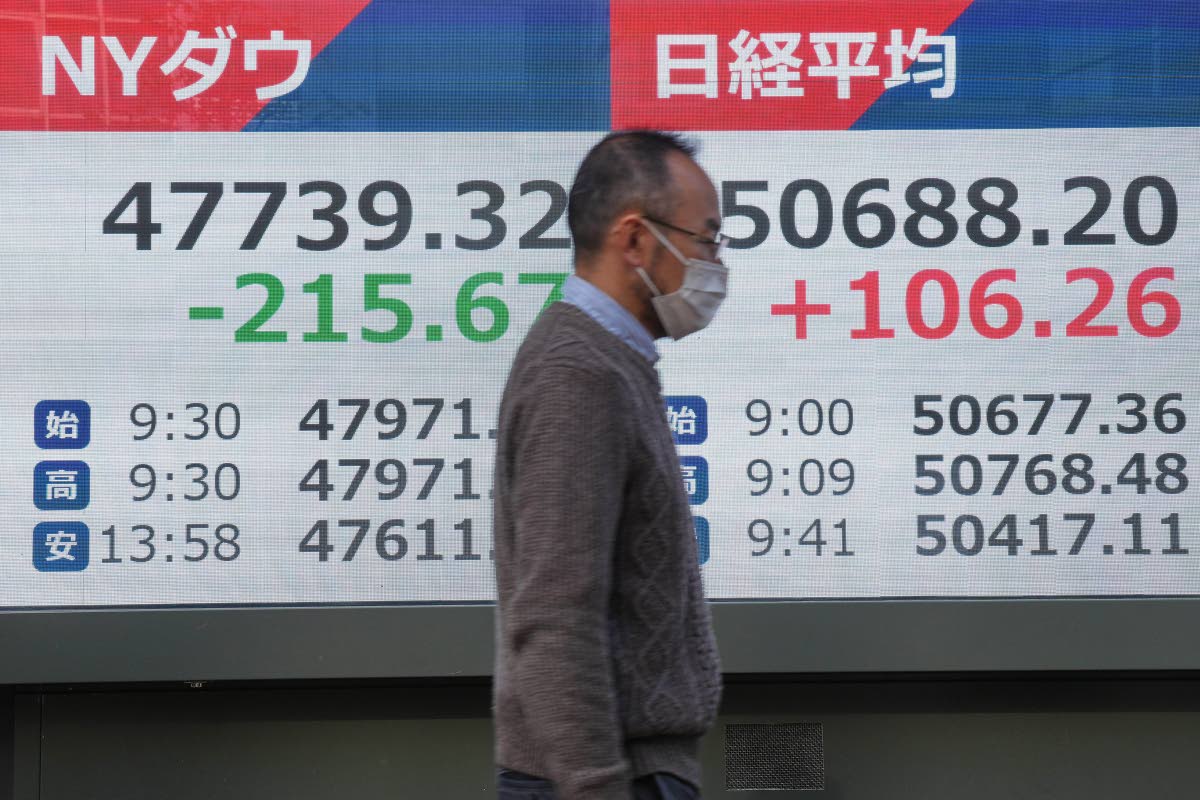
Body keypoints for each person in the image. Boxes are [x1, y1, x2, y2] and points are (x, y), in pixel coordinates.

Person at [492, 130, 728, 800]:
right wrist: (596, 786)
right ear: (635, 240)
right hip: (604, 776)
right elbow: (556, 615)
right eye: (706, 239)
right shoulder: (579, 375)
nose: (714, 264)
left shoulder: (609, 362)